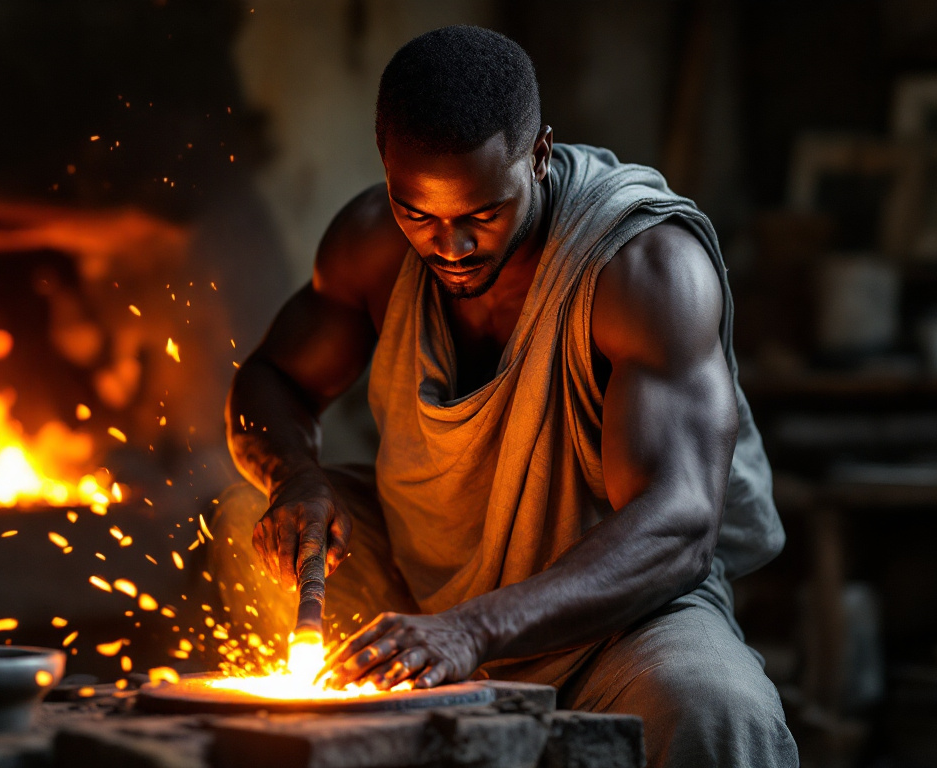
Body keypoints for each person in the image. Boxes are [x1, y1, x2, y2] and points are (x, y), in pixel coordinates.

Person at [211, 25, 797, 767]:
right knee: (246, 520)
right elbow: (273, 379)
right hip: (427, 590)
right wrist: (293, 475)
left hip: (614, 617)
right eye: (418, 214)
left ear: (541, 156)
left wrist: (473, 631)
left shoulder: (643, 266)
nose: (449, 248)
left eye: (482, 215)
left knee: (715, 708)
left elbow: (677, 525)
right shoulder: (371, 244)